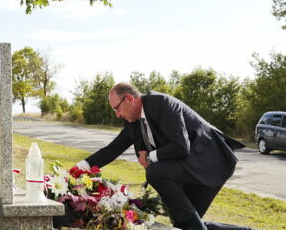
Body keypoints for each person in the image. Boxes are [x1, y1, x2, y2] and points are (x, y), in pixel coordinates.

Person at [75, 83, 252, 230]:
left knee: (156, 172)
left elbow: (180, 147)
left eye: (117, 109)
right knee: (186, 224)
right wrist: (79, 168)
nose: (117, 114)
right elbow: (112, 149)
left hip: (211, 162)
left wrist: (150, 157)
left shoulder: (163, 104)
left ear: (129, 98)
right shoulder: (133, 122)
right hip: (192, 166)